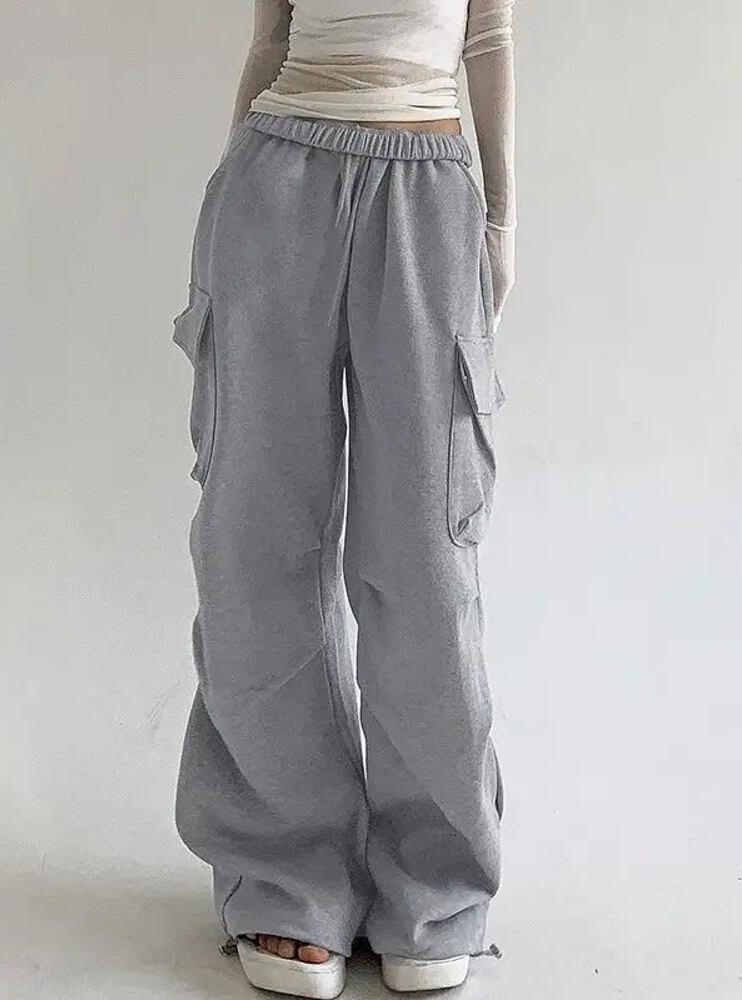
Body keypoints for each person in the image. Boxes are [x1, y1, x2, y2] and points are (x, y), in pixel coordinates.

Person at [171, 1, 514, 995]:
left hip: (428, 188)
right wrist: (229, 200)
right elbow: (271, 40)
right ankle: (288, 879)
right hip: (272, 181)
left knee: (424, 554)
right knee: (253, 539)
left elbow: (487, 37)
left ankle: (434, 888)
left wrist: (501, 220)